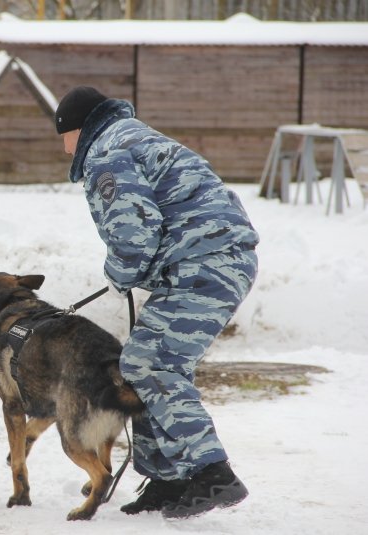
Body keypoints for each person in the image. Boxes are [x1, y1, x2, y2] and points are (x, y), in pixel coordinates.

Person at [54, 86, 259, 519]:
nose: (63, 148)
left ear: (75, 130)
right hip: (211, 260)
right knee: (144, 363)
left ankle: (211, 472)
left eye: (62, 137)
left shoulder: (106, 152)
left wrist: (119, 275)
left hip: (205, 263)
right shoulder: (130, 136)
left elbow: (133, 231)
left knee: (151, 365)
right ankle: (168, 478)